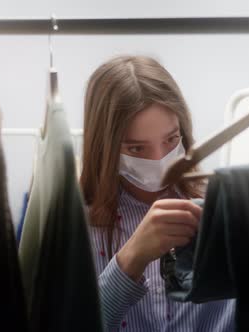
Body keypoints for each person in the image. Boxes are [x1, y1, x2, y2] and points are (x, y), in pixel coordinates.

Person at [80, 55, 235, 331]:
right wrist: (131, 259)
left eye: (171, 139)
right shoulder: (75, 226)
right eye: (137, 148)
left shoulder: (223, 207)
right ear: (104, 147)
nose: (160, 159)